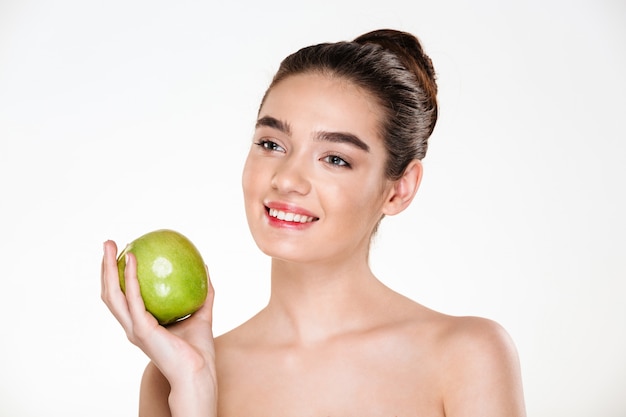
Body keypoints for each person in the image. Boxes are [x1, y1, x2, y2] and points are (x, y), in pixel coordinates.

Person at [101, 28, 526, 417]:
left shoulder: (467, 356)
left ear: (399, 189)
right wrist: (195, 390)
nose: (285, 178)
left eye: (335, 159)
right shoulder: (172, 375)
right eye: (272, 143)